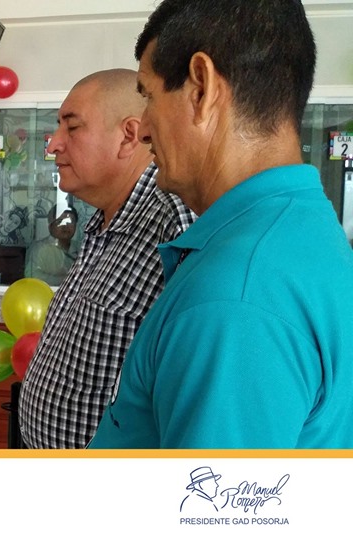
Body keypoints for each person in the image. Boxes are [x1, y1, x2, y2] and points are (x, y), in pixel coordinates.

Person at [89, 0, 353, 448]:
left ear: (202, 88)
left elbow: (210, 495)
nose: (144, 129)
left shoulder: (237, 297)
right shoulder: (301, 228)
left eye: (149, 96)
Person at [18, 69, 196, 449]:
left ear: (129, 135)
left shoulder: (173, 226)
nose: (53, 145)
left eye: (72, 127)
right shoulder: (101, 222)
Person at [26, 205, 78, 286]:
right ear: (50, 226)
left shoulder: (82, 248)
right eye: (59, 221)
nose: (65, 226)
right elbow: (32, 277)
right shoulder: (38, 248)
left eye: (70, 221)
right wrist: (66, 280)